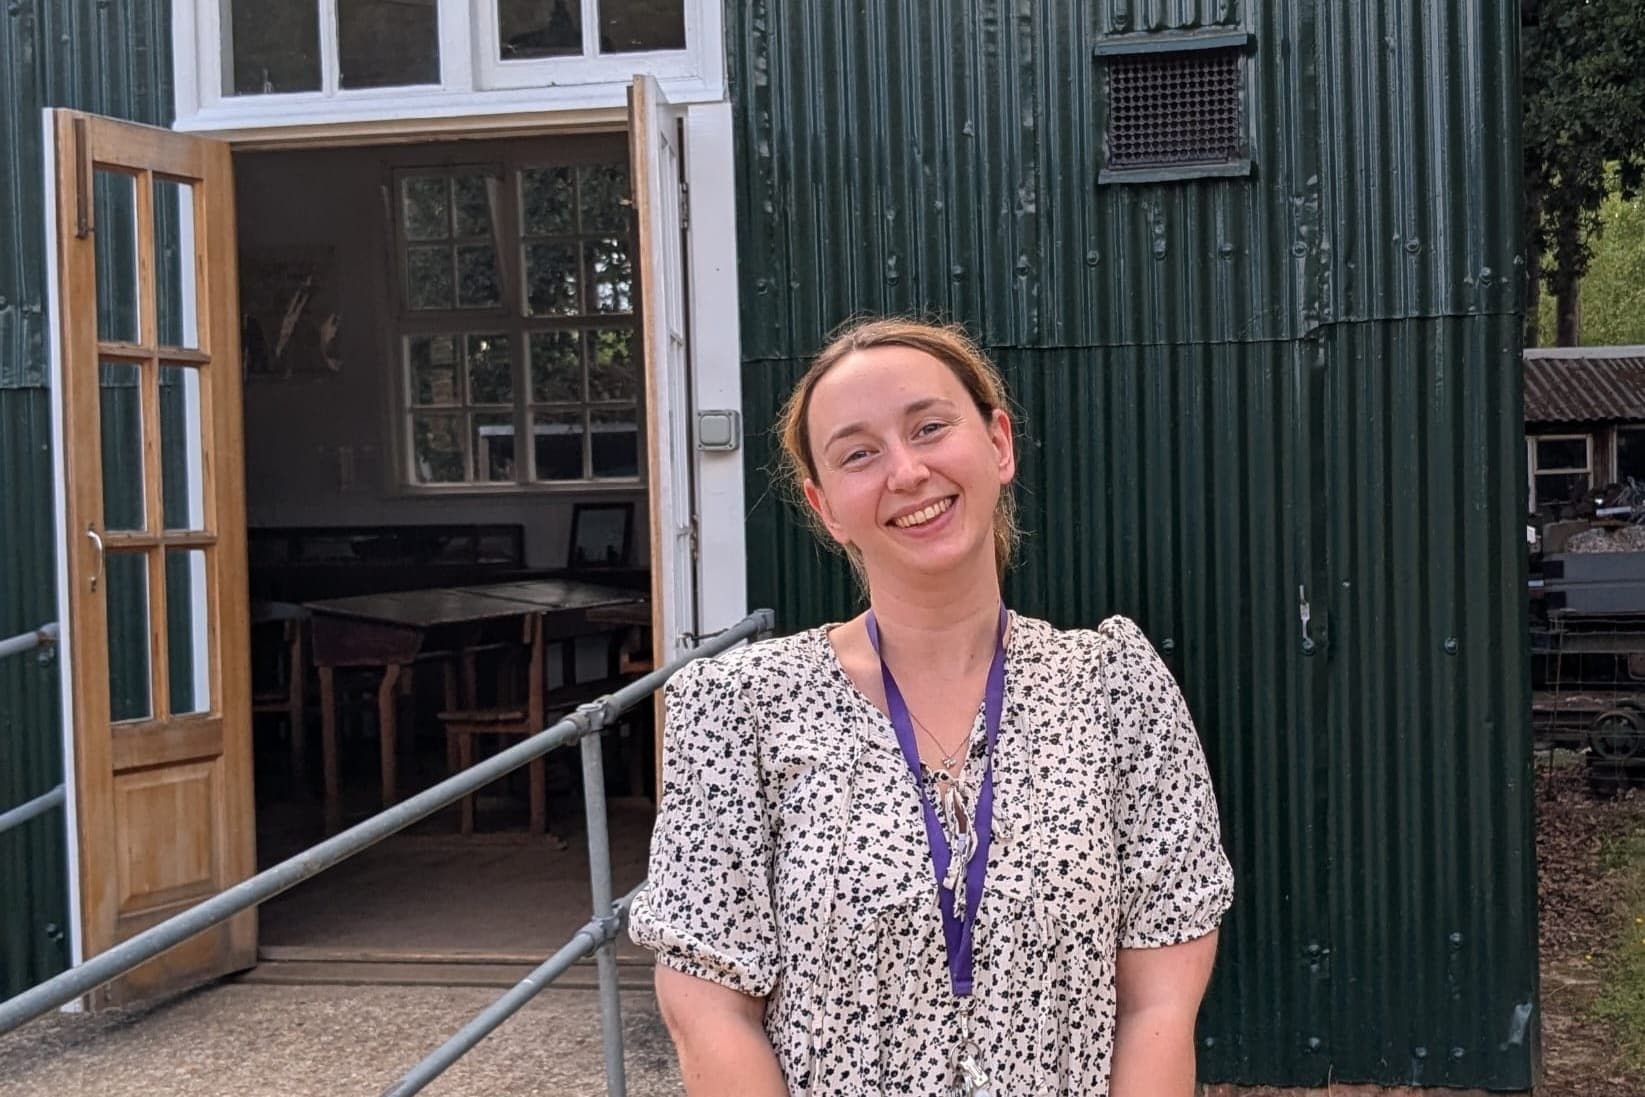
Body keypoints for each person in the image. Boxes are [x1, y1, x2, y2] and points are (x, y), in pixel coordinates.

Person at [630, 317, 1235, 1096]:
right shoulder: (739, 706)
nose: (907, 471)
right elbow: (707, 1005)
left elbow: (1159, 1003)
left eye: (929, 427)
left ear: (998, 444)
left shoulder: (1115, 685)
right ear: (825, 506)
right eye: (858, 453)